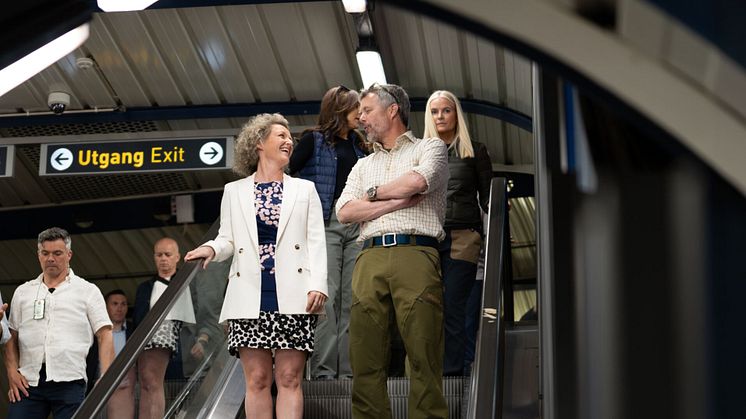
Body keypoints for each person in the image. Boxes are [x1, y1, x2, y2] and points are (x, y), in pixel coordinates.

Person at [185, 113, 328, 419]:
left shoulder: (304, 189)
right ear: (259, 142)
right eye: (281, 136)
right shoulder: (233, 191)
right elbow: (227, 238)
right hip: (248, 296)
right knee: (258, 380)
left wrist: (318, 285)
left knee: (289, 378)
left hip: (294, 295)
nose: (289, 141)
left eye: (291, 137)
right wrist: (210, 248)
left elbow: (316, 241)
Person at [336, 83, 449, 419]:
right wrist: (389, 202)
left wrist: (370, 195)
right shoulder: (361, 164)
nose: (360, 119)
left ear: (392, 110)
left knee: (422, 352)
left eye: (367, 110)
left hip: (416, 252)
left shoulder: (431, 148)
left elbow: (417, 182)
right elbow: (344, 212)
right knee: (364, 355)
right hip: (368, 256)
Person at [288, 85, 367, 380]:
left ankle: (346, 373)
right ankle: (323, 372)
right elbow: (286, 173)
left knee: (352, 299)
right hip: (325, 225)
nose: (360, 113)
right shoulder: (314, 140)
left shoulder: (360, 146)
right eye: (354, 107)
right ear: (339, 110)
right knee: (328, 297)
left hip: (356, 225)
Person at [4, 227, 114, 419]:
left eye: (57, 253)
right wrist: (12, 372)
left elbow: (105, 334)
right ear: (38, 255)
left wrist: (106, 377)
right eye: (45, 253)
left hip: (70, 378)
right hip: (28, 381)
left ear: (69, 254)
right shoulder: (23, 292)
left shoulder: (87, 290)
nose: (50, 258)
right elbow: (10, 336)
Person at [423, 90, 493, 376]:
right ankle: (430, 370)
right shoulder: (421, 153)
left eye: (446, 110)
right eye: (434, 111)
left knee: (454, 304)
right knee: (427, 304)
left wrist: (499, 232)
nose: (440, 116)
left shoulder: (475, 151)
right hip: (429, 236)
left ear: (456, 114)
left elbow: (489, 198)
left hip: (464, 234)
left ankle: (452, 372)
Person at [133, 237, 195, 419]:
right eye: (159, 255)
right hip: (147, 341)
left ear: (177, 257)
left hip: (184, 346)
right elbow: (138, 319)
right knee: (148, 383)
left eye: (167, 254)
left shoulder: (189, 283)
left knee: (160, 385)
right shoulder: (145, 288)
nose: (163, 259)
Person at [86, 289, 136, 419]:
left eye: (123, 304)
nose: (119, 308)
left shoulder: (135, 330)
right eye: (114, 304)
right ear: (105, 307)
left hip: (126, 388)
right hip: (97, 387)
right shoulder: (94, 330)